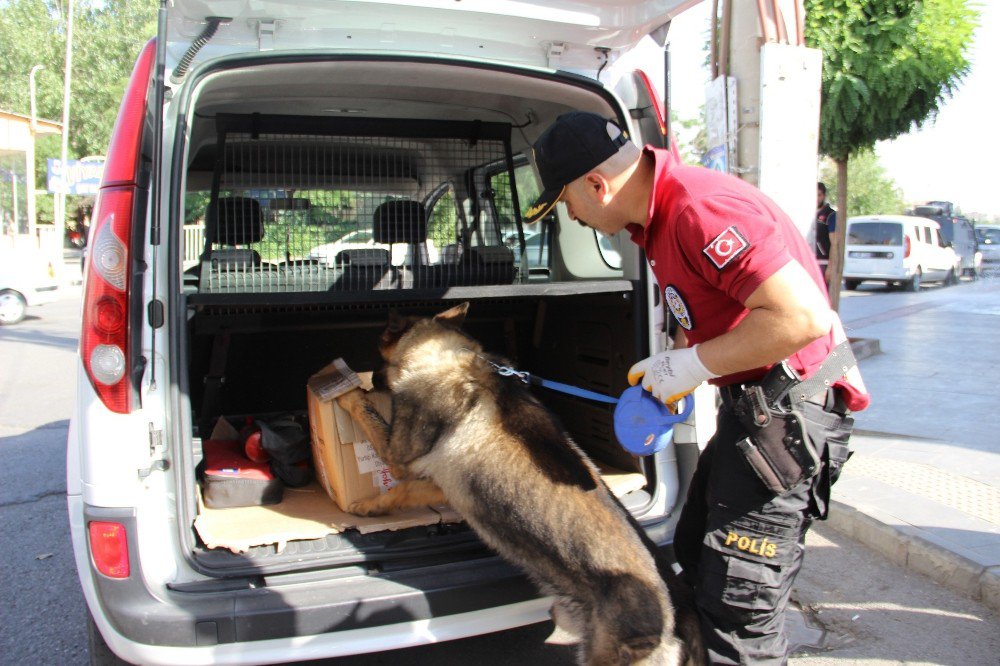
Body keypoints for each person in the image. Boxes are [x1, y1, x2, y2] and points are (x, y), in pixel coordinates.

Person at [524, 112, 868, 665]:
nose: (570, 213)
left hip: (789, 412)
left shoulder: (697, 208)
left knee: (739, 609)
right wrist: (679, 364)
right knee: (693, 554)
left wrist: (692, 365)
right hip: (756, 409)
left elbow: (803, 318)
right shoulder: (655, 222)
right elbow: (713, 304)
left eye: (565, 201)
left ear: (596, 183)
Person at [815, 182, 837, 286]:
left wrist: (830, 267)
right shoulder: (806, 212)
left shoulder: (830, 215)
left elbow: (834, 243)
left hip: (823, 263)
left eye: (819, 195)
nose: (816, 198)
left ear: (823, 196)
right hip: (809, 259)